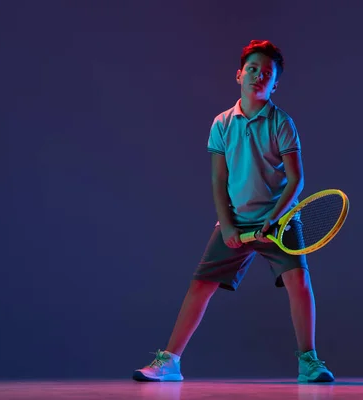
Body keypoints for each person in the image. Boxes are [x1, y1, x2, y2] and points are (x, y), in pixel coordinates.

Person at [133, 39, 334, 383]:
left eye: (266, 73)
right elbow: (218, 180)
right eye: (252, 69)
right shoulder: (222, 124)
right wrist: (227, 227)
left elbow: (296, 180)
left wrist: (275, 218)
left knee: (298, 282)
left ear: (275, 85)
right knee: (200, 285)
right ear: (239, 74)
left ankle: (309, 362)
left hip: (279, 220)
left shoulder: (282, 123)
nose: (258, 76)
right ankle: (169, 363)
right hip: (237, 220)